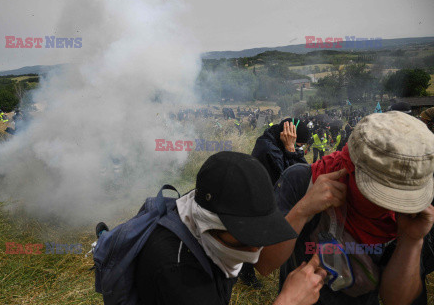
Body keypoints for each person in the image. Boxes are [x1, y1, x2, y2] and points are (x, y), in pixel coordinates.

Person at [270, 112, 434, 305]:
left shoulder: (412, 215)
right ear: (351, 164)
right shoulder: (301, 181)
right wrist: (303, 210)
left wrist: (412, 240)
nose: (388, 206)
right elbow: (266, 262)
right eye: (380, 192)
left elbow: (396, 300)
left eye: (400, 196)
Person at [133, 152, 327, 305]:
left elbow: (264, 264)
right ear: (210, 223)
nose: (254, 248)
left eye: (258, 234)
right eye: (243, 235)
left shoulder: (200, 219)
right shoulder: (177, 271)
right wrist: (288, 301)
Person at [240, 118, 309, 288]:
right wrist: (291, 150)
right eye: (299, 144)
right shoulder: (268, 148)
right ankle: (245, 274)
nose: (301, 149)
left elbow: (305, 172)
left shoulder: (274, 142)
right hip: (258, 201)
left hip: (265, 198)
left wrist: (292, 150)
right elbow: (291, 176)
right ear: (287, 135)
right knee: (254, 236)